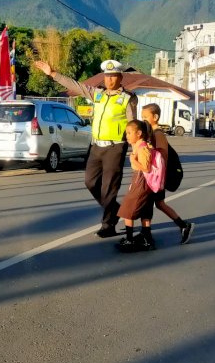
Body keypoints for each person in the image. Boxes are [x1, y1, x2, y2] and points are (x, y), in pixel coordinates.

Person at [34, 58, 137, 237]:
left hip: (115, 147)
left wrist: (137, 147)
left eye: (113, 76)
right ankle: (113, 209)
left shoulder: (127, 98)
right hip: (96, 146)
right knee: (90, 182)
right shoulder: (98, 94)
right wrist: (53, 74)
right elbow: (76, 86)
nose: (109, 80)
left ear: (120, 77)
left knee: (109, 188)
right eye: (107, 76)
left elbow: (133, 125)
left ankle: (108, 225)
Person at [141, 103, 195, 244]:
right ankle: (183, 225)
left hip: (157, 176)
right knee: (159, 203)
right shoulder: (151, 133)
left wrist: (159, 178)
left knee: (149, 203)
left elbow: (162, 156)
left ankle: (146, 234)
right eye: (142, 117)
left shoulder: (158, 134)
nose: (143, 120)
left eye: (145, 117)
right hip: (156, 176)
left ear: (155, 117)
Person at [116, 120, 156, 252]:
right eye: (126, 133)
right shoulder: (139, 146)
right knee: (145, 210)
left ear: (139, 133)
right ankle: (147, 239)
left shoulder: (143, 148)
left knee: (128, 210)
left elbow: (146, 168)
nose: (126, 135)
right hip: (141, 182)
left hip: (141, 182)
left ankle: (129, 239)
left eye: (129, 133)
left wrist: (133, 160)